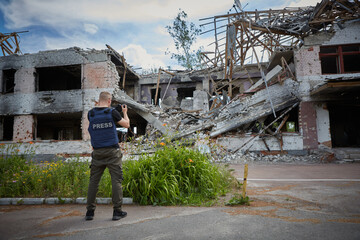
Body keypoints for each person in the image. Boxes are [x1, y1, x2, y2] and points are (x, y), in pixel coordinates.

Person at [85, 91, 130, 221]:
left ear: (98, 100)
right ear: (109, 101)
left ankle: (89, 212)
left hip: (97, 152)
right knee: (116, 181)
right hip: (112, 152)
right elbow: (126, 125)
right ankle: (117, 211)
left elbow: (97, 126)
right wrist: (125, 113)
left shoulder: (91, 113)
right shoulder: (112, 113)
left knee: (93, 182)